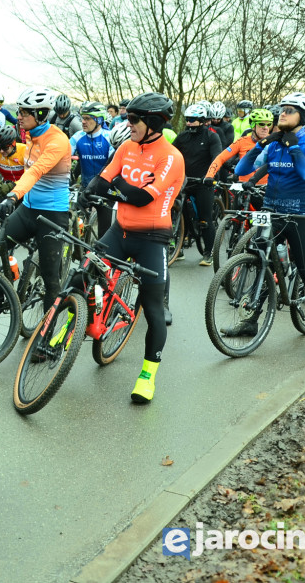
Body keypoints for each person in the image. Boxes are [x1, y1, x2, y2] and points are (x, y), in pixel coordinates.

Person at [79, 92, 185, 403]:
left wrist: (114, 188)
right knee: (84, 273)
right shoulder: (126, 147)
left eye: (134, 119)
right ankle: (68, 328)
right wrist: (89, 191)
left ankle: (147, 375)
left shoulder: (170, 157)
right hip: (120, 230)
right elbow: (104, 179)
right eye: (127, 118)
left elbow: (141, 197)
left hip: (152, 238)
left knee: (153, 309)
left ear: (153, 123)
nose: (129, 124)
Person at [234, 92, 305, 359]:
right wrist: (262, 143)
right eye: (282, 110)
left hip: (299, 217)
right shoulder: (274, 144)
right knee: (265, 262)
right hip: (271, 213)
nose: (283, 113)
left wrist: (294, 146)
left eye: (290, 110)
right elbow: (242, 168)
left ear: (304, 117)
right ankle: (252, 321)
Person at [0, 87, 72, 313]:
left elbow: (35, 171)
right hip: (27, 210)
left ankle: (46, 341)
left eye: (24, 112)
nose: (18, 116)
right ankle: (0, 296)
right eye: (18, 111)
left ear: (40, 114)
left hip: (51, 215)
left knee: (50, 279)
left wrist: (11, 196)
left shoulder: (56, 140)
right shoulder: (30, 136)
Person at [172, 102, 223, 266]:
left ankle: (209, 252)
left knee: (205, 218)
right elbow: (171, 155)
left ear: (202, 121)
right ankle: (178, 249)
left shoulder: (211, 137)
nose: (189, 123)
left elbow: (217, 158)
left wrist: (210, 176)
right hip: (185, 182)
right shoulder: (182, 137)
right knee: (181, 216)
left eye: (193, 120)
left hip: (203, 183)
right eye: (187, 119)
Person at [72, 102, 115, 239]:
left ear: (99, 120)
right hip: (85, 187)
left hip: (105, 189)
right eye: (82, 118)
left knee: (104, 231)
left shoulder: (109, 137)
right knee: (72, 221)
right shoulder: (78, 137)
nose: (83, 122)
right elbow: (62, 155)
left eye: (88, 118)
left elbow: (112, 166)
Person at [206, 108, 272, 188]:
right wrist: (210, 175)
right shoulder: (242, 142)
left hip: (266, 186)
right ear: (253, 125)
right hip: (243, 186)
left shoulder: (274, 143)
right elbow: (220, 158)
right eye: (261, 124)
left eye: (269, 124)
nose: (266, 128)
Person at [0, 126, 27, 202]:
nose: (1, 151)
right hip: (5, 188)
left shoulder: (24, 150)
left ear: (13, 144)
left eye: (5, 148)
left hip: (24, 188)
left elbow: (29, 177)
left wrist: (12, 185)